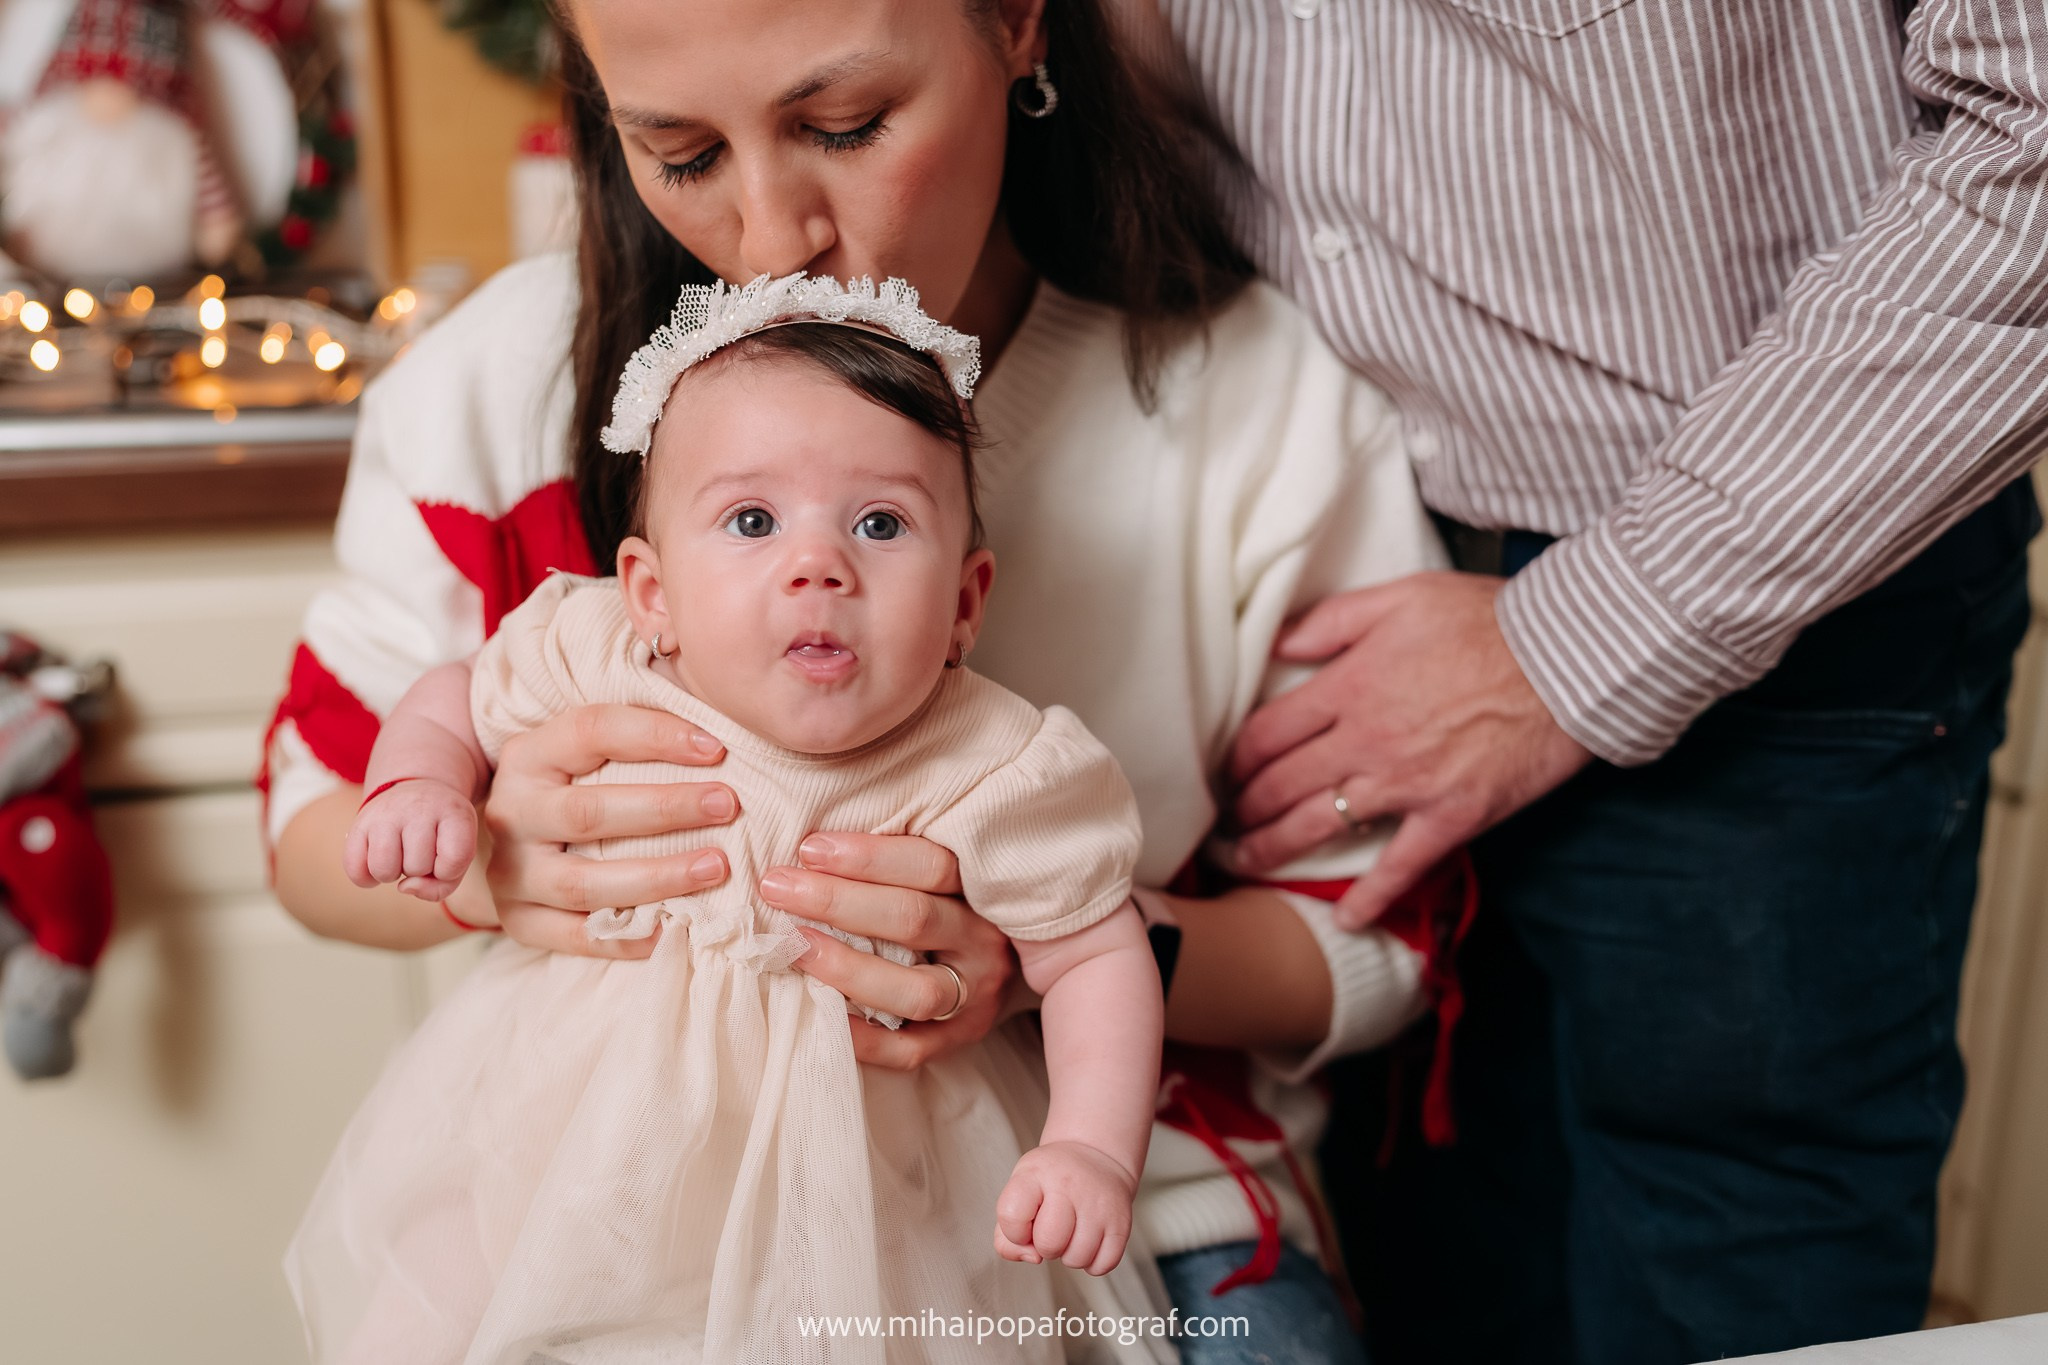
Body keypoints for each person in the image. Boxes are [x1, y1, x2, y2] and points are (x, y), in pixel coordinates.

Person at [261, 1, 1455, 1358]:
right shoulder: (494, 392)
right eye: (682, 152)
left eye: (843, 127)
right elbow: (309, 825)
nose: (774, 242)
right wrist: (495, 864)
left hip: (1142, 1211)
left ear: (1014, 23)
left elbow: (1376, 939)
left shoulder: (1252, 406)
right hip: (618, 1205)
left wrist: (1051, 960)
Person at [1116, 3, 2048, 1361]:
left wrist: (1566, 647)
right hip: (1328, 566)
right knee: (1426, 1272)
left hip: (1772, 584)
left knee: (1721, 1291)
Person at [291, 281, 1170, 1363]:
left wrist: (1090, 1147)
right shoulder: (597, 649)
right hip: (565, 1135)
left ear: (962, 604)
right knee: (439, 1317)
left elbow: (1095, 954)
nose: (818, 564)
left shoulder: (993, 761)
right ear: (649, 593)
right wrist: (420, 785)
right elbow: (449, 695)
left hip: (861, 1176)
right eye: (751, 521)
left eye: (880, 523)